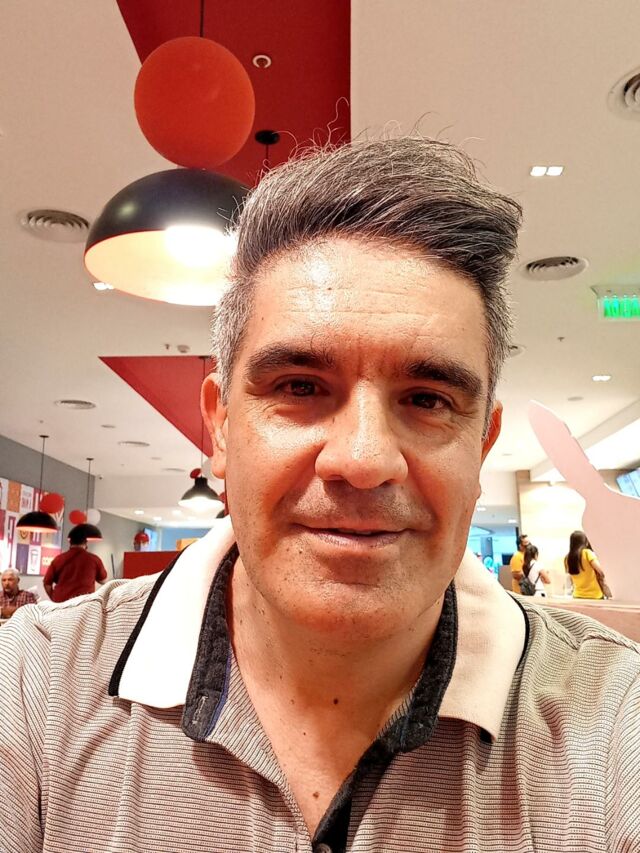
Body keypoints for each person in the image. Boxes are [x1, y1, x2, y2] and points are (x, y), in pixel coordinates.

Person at [1, 138, 639, 852]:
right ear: (221, 425)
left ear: (482, 445)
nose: (363, 460)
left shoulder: (615, 718)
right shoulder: (32, 686)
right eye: (300, 386)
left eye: (427, 398)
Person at [42, 525, 107, 602]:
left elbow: (47, 583)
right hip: (84, 603)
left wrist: (54, 598)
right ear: (85, 543)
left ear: (70, 542)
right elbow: (103, 581)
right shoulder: (94, 559)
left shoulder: (58, 559)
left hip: (61, 602)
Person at [564, 529, 610, 600]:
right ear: (585, 542)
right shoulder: (587, 553)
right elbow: (601, 572)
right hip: (594, 595)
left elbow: (570, 577)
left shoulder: (567, 558)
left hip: (577, 595)